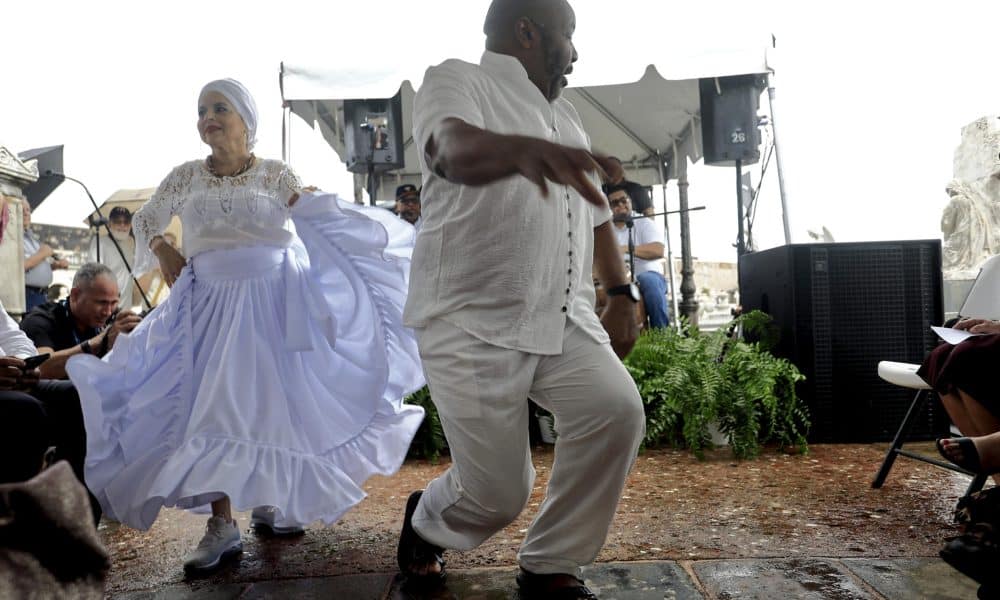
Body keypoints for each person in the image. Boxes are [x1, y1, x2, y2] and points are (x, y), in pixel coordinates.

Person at [65, 78, 425, 574]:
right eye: (201, 109)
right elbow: (148, 221)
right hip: (207, 305)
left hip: (274, 303)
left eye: (219, 107)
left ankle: (270, 502)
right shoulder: (185, 176)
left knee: (271, 403)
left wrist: (328, 212)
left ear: (245, 121)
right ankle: (221, 523)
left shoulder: (275, 173)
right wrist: (164, 248)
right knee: (210, 404)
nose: (207, 116)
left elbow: (306, 211)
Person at [396, 1, 646, 597]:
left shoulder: (568, 117)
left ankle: (551, 564)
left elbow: (595, 215)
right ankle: (425, 522)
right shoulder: (457, 79)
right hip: (469, 318)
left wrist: (618, 290)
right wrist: (523, 151)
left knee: (614, 412)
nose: (576, 52)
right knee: (498, 493)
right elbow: (447, 149)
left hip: (561, 314)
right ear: (528, 32)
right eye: (570, 35)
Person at [0, 297, 101, 524]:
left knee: (84, 396)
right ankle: (15, 530)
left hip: (9, 381)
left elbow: (12, 335)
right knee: (24, 411)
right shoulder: (43, 319)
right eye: (101, 301)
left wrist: (24, 364)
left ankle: (76, 526)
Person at [20, 262, 141, 381]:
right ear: (75, 295)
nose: (108, 312)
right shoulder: (40, 320)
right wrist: (100, 342)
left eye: (113, 303)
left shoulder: (113, 318)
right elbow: (41, 368)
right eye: (101, 303)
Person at [607, 184, 669, 328]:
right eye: (615, 203)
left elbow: (658, 250)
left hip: (646, 274)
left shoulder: (644, 222)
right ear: (608, 207)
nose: (621, 205)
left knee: (650, 283)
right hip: (616, 277)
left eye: (624, 200)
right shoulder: (605, 229)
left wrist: (625, 249)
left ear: (630, 201)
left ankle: (662, 338)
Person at [22, 202, 70, 311]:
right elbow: (19, 268)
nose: (26, 213)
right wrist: (42, 253)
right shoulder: (13, 238)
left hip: (41, 294)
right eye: (21, 210)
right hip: (28, 294)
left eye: (28, 210)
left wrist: (54, 266)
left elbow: (32, 268)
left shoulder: (31, 237)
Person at [88, 206, 137, 310]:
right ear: (109, 223)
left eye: (126, 221)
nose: (122, 225)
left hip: (126, 307)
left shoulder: (131, 242)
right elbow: (91, 275)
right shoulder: (99, 242)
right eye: (117, 221)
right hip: (106, 307)